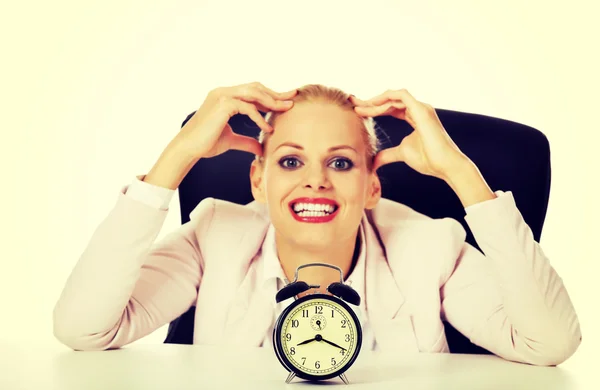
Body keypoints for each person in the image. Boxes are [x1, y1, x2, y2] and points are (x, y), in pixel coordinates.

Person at [53, 82, 581, 366]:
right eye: (289, 161)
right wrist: (177, 158)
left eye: (341, 162)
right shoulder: (216, 234)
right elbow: (83, 329)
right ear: (256, 179)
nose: (316, 182)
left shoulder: (430, 245)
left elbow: (549, 344)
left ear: (373, 184)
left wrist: (461, 173)